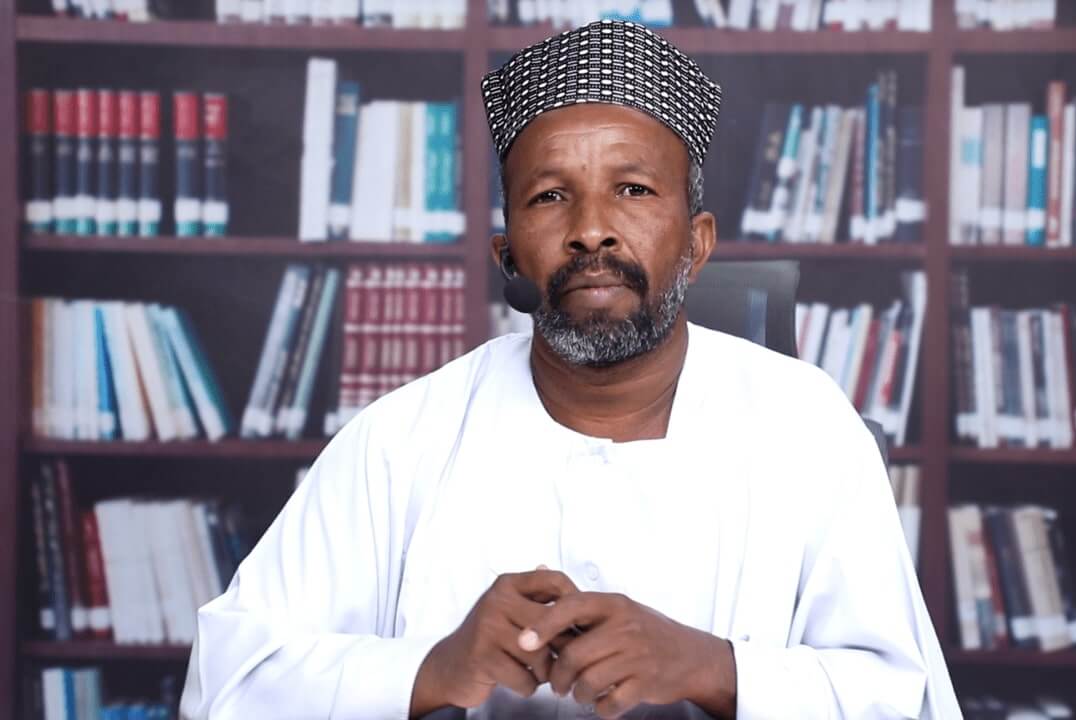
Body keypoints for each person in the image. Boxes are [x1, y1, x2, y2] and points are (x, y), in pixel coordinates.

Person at [181, 19, 959, 720]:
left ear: (697, 244)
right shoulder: (401, 440)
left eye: (633, 190)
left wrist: (713, 668)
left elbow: (905, 696)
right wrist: (430, 669)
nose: (591, 230)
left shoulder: (806, 425)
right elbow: (226, 686)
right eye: (551, 196)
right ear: (507, 256)